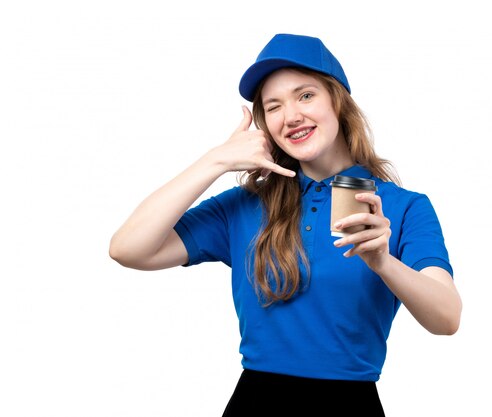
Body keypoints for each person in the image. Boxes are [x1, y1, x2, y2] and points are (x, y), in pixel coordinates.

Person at [109, 33, 462, 416]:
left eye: (305, 95)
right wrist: (215, 161)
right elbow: (128, 248)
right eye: (273, 106)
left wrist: (382, 262)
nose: (291, 116)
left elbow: (446, 318)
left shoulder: (403, 207)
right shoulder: (245, 205)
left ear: (338, 102)